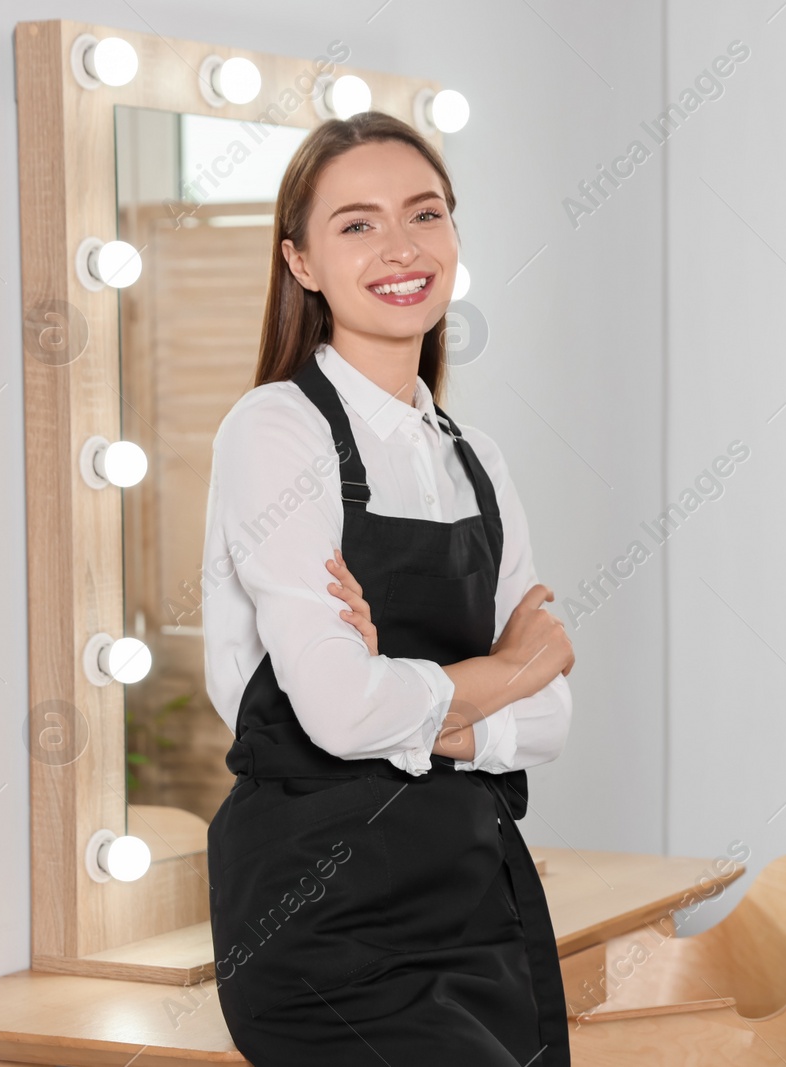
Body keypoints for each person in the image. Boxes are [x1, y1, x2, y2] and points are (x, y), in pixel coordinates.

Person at [201, 109, 575, 1066]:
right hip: (320, 920)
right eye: (357, 224)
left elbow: (555, 715)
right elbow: (336, 713)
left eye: (426, 214)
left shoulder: (473, 456)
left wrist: (416, 699)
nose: (401, 247)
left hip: (473, 893)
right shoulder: (274, 430)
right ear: (301, 262)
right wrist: (503, 673)